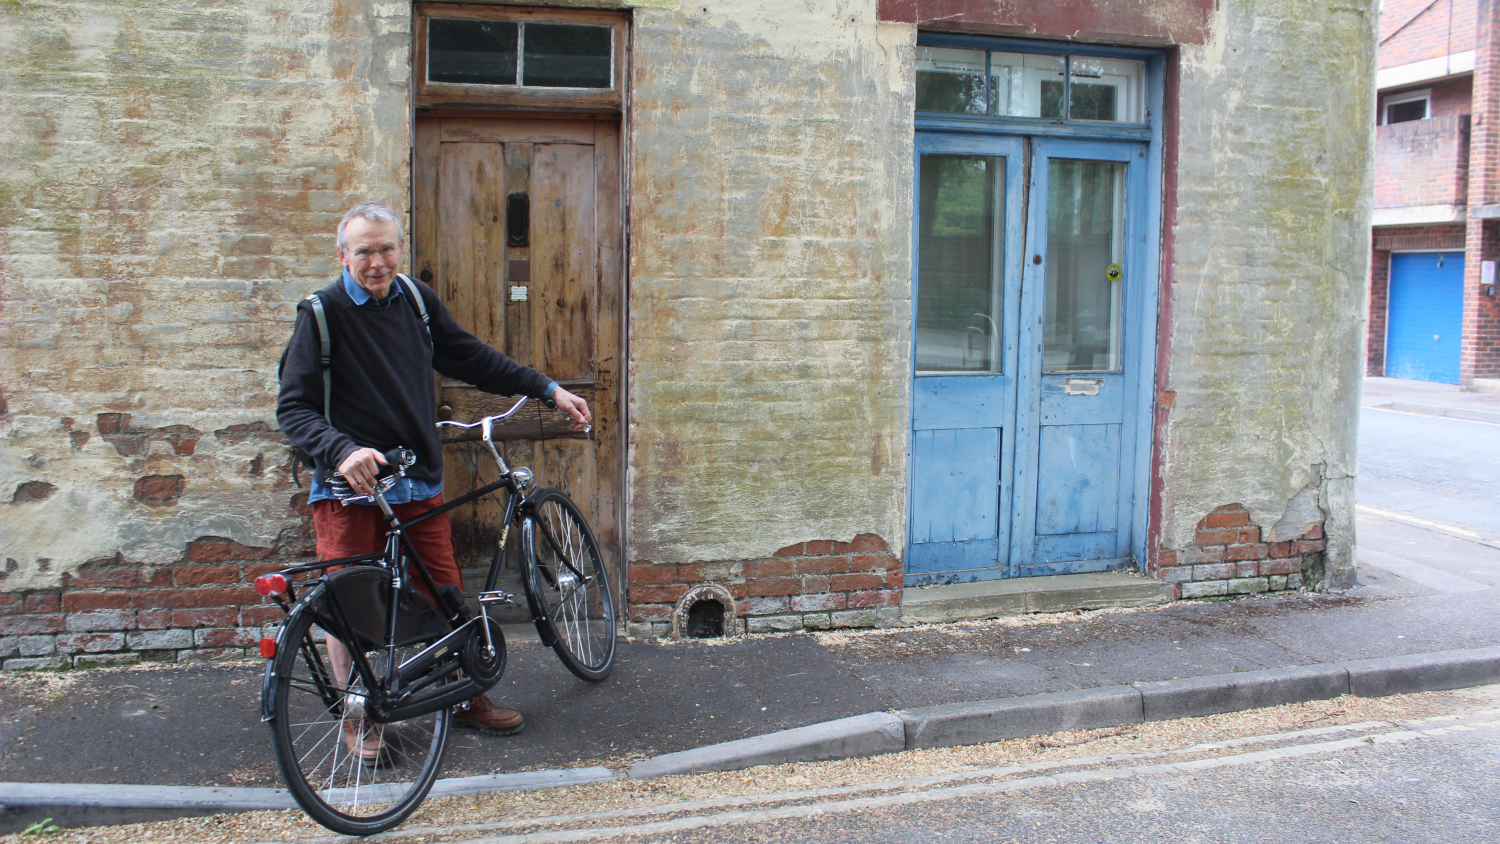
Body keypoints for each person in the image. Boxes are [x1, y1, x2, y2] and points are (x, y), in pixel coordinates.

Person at [277, 202, 590, 762]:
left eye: (386, 248)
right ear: (342, 254)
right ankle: (357, 715)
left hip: (417, 482)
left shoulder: (416, 303)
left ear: (400, 249)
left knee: (443, 592)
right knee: (348, 607)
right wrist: (342, 450)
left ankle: (463, 695)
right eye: (365, 251)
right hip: (353, 488)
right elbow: (294, 410)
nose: (377, 262)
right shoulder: (320, 315)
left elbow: (472, 357)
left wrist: (546, 388)